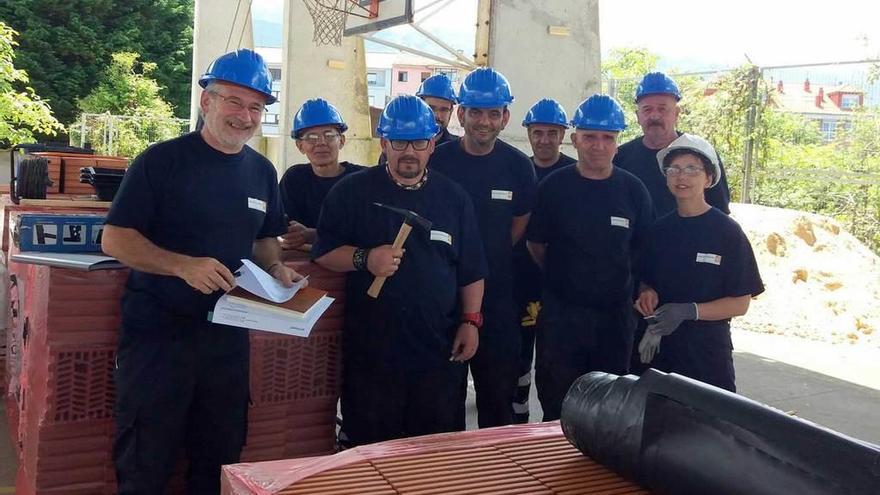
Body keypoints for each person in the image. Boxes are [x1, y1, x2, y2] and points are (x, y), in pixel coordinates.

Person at [102, 48, 305, 494]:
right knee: (146, 459)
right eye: (234, 101)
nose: (245, 116)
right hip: (158, 337)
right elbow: (115, 239)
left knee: (219, 456)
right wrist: (182, 266)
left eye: (255, 107)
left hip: (228, 340)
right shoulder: (161, 161)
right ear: (207, 101)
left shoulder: (261, 171)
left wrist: (275, 267)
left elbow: (265, 238)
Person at [313, 95, 487, 446]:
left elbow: (471, 269)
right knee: (372, 451)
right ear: (384, 143)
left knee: (434, 453)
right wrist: (366, 258)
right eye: (399, 141)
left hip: (439, 352)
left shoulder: (454, 198)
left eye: (419, 142)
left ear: (433, 144)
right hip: (372, 355)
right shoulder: (350, 192)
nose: (409, 151)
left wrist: (471, 321)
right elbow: (324, 253)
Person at [526, 94, 654, 421]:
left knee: (608, 408)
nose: (598, 145)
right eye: (590, 137)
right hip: (561, 318)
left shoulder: (633, 191)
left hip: (615, 318)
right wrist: (567, 279)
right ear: (575, 139)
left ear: (617, 142)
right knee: (557, 402)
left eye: (607, 138)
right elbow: (536, 245)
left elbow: (645, 250)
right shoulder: (553, 188)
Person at [429, 67, 537, 429]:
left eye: (493, 113)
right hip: (442, 299)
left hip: (498, 301)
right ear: (461, 115)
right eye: (475, 112)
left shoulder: (519, 167)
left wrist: (481, 259)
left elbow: (517, 226)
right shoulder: (438, 161)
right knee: (443, 402)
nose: (484, 121)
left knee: (497, 400)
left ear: (505, 117)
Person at [634, 133, 764, 392]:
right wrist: (645, 294)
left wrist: (689, 311)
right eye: (675, 169)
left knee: (706, 429)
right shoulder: (658, 231)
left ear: (709, 178)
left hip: (706, 359)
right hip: (659, 356)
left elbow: (741, 303)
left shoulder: (727, 233)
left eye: (692, 169)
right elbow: (644, 280)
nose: (682, 177)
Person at [512, 98, 576, 423]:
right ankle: (519, 417)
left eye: (552, 132)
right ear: (529, 133)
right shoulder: (518, 170)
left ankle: (554, 425)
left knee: (554, 359)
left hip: (560, 283)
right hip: (520, 279)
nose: (545, 139)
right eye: (538, 132)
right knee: (519, 354)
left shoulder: (574, 174)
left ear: (563, 134)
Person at [614, 72, 731, 217]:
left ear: (676, 113)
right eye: (647, 109)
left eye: (662, 109)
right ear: (638, 116)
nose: (655, 116)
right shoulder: (621, 157)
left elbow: (719, 211)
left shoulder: (700, 153)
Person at [279, 98, 364, 250]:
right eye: (311, 137)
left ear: (342, 141)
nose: (321, 143)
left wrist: (312, 235)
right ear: (300, 146)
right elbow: (286, 232)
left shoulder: (361, 179)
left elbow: (369, 234)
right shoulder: (294, 180)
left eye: (329, 135)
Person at [377, 73, 459, 166]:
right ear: (420, 107)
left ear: (451, 111)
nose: (437, 116)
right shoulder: (396, 144)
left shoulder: (458, 150)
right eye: (431, 108)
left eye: (444, 110)